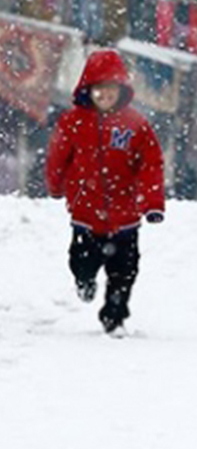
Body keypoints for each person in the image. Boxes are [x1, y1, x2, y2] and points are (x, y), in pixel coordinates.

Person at [46, 48, 165, 336]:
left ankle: (114, 317)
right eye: (99, 90)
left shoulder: (136, 125)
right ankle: (84, 281)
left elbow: (150, 164)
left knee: (124, 272)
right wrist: (55, 184)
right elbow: (58, 156)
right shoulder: (72, 122)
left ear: (121, 90)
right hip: (86, 213)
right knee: (82, 261)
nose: (105, 96)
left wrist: (152, 203)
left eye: (111, 90)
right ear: (89, 90)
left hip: (126, 216)